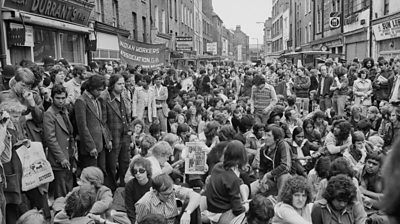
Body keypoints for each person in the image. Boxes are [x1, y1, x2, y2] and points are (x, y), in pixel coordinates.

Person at [205, 140, 250, 224]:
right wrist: (247, 206)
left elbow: (238, 184)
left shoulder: (217, 166)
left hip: (212, 209)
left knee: (244, 187)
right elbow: (238, 210)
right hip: (222, 214)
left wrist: (245, 200)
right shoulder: (232, 178)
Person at [43, 84, 75, 199]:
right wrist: (61, 158)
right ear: (52, 98)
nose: (61, 101)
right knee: (60, 192)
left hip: (69, 154)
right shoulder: (49, 114)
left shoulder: (64, 111)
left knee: (68, 189)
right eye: (58, 98)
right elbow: (50, 139)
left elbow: (69, 133)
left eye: (63, 98)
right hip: (59, 158)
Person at [74, 75, 111, 172]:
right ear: (91, 88)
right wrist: (90, 146)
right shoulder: (81, 101)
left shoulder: (98, 100)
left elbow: (102, 122)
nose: (100, 92)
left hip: (100, 145)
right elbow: (82, 127)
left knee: (101, 172)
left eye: (102, 90)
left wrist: (107, 139)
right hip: (90, 148)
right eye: (98, 90)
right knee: (91, 175)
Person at [102, 74, 131, 190]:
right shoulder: (106, 99)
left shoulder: (124, 96)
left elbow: (127, 117)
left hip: (125, 135)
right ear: (112, 84)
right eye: (119, 84)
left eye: (123, 83)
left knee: (125, 162)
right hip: (113, 136)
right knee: (112, 165)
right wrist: (107, 138)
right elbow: (103, 122)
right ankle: (111, 188)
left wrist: (130, 133)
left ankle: (123, 188)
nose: (122, 86)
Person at [135, 173, 201, 224]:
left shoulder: (172, 189)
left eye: (171, 193)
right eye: (166, 194)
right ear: (155, 192)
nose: (170, 196)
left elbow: (196, 196)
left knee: (192, 204)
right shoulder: (144, 203)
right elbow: (139, 222)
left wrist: (187, 213)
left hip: (174, 221)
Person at [125, 157, 153, 224]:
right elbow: (129, 207)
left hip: (150, 216)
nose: (138, 173)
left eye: (141, 171)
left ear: (147, 171)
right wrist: (134, 221)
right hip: (135, 216)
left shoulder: (153, 184)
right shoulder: (130, 185)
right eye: (135, 171)